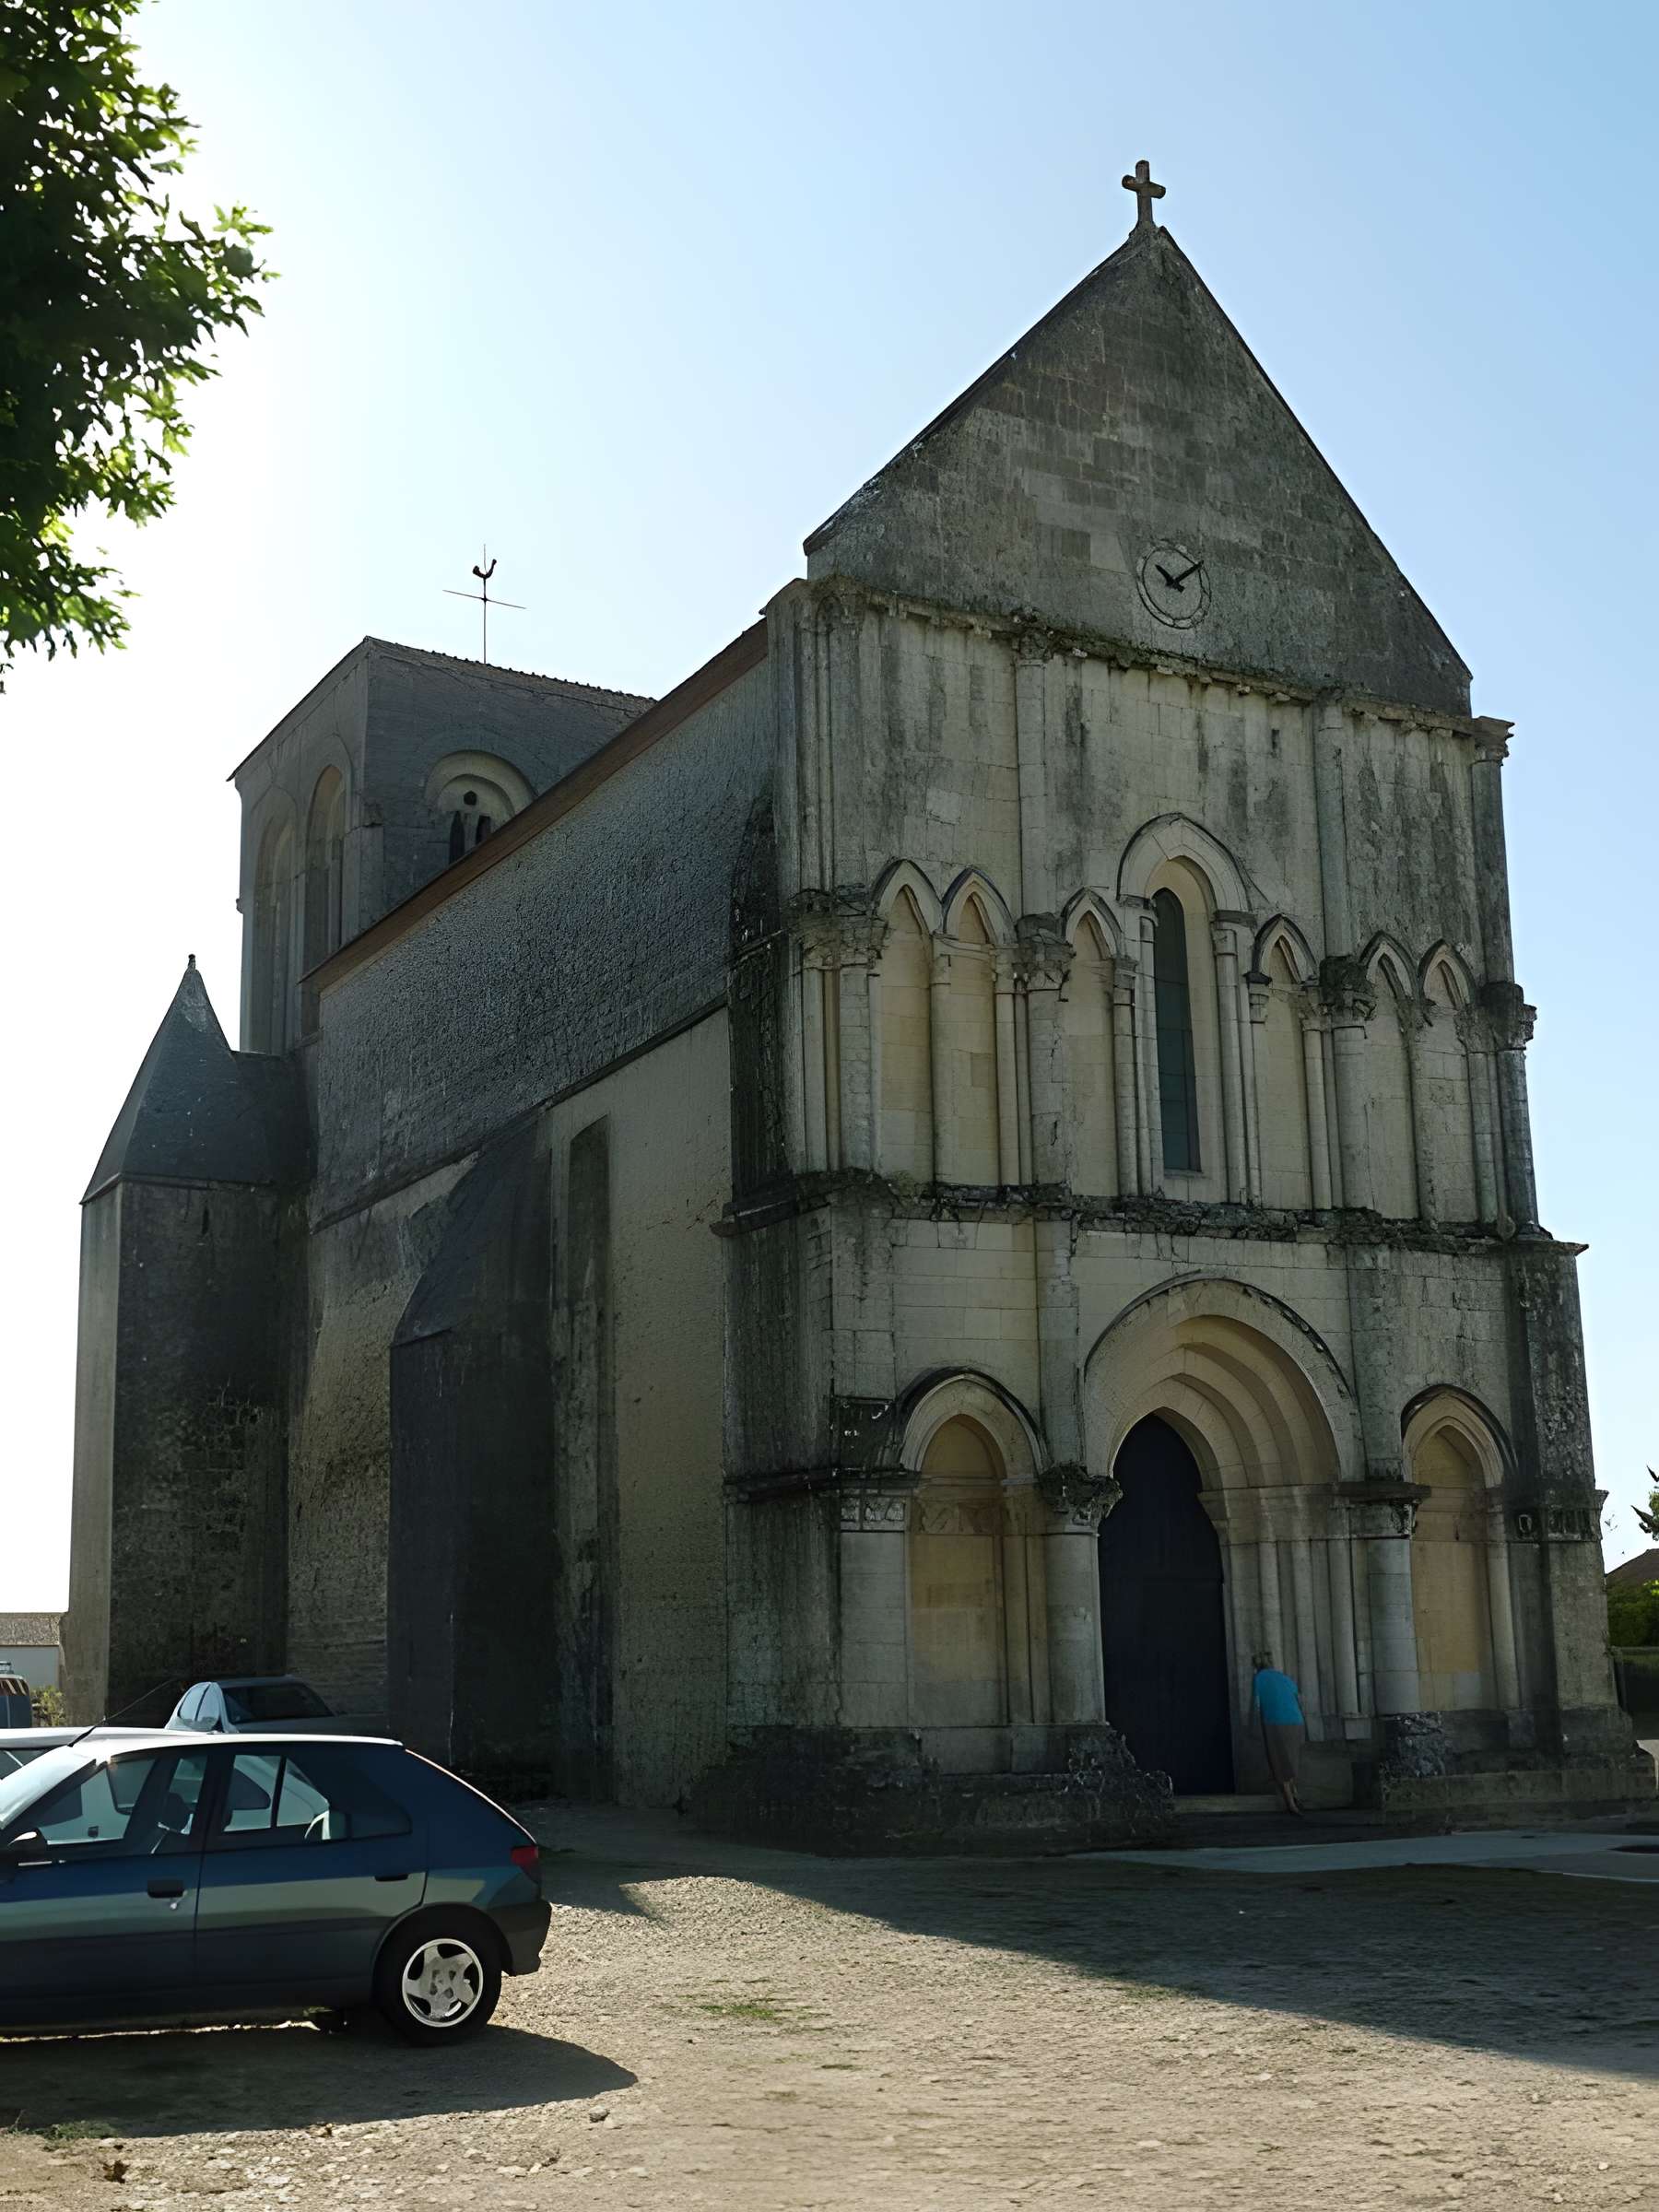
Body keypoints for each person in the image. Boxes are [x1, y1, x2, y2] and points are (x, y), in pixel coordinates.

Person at [1252, 1652, 1306, 1816]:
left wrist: (1253, 1727)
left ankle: (1291, 1804)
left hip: (1275, 1722)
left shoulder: (1259, 1678)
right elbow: (1298, 1698)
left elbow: (1257, 1704)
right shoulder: (1284, 1677)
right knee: (1290, 1760)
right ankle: (1294, 1793)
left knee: (1279, 1762)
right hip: (1296, 1721)